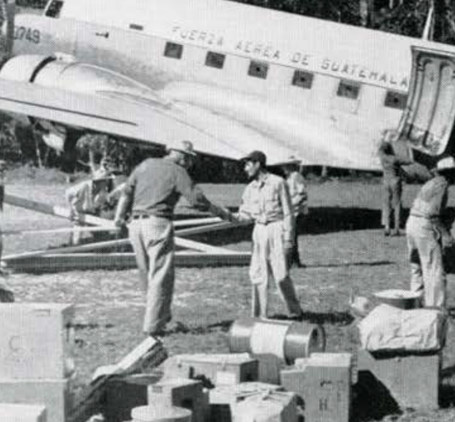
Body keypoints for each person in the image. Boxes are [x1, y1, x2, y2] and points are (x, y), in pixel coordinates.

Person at [113, 142, 234, 336]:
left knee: (147, 274)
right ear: (179, 154)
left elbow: (126, 193)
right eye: (188, 157)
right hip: (157, 224)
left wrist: (118, 217)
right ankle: (154, 326)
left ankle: (159, 315)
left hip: (135, 225)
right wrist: (221, 212)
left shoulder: (145, 164)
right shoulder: (177, 171)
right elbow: (197, 200)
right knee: (161, 275)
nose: (189, 161)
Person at [238, 150, 303, 320]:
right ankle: (260, 315)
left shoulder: (278, 182)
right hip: (259, 230)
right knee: (258, 275)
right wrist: (232, 216)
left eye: (248, 164)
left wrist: (288, 237)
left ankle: (294, 311)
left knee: (281, 275)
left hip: (277, 229)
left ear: (258, 164)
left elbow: (288, 212)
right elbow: (245, 213)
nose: (245, 169)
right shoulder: (250, 188)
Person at [405, 156, 455, 309]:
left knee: (416, 267)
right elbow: (433, 214)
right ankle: (435, 307)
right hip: (423, 226)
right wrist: (446, 235)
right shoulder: (442, 184)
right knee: (433, 268)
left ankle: (414, 303)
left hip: (411, 222)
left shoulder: (430, 183)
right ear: (450, 172)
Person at [65, 158, 123, 244]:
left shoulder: (103, 191)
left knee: (101, 236)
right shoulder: (84, 186)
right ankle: (72, 248)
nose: (106, 183)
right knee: (76, 239)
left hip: (93, 212)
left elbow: (108, 200)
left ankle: (101, 250)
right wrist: (70, 210)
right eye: (105, 181)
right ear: (98, 182)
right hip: (79, 213)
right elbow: (68, 193)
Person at [378, 139, 412, 235]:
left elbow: (381, 149)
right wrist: (409, 149)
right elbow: (410, 161)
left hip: (385, 181)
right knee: (396, 204)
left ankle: (387, 226)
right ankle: (397, 227)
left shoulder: (382, 157)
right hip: (395, 180)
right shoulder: (395, 159)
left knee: (386, 204)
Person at [282, 156, 308, 268]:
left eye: (286, 165)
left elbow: (302, 194)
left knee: (292, 236)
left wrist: (291, 206)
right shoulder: (289, 178)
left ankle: (293, 261)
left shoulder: (296, 176)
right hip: (292, 211)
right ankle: (294, 260)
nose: (283, 168)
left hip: (296, 211)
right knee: (291, 236)